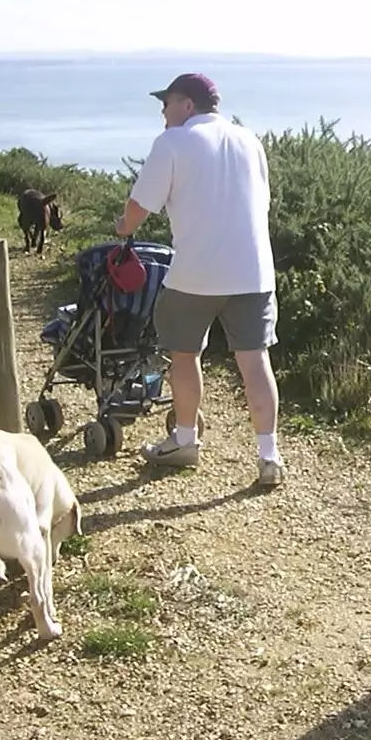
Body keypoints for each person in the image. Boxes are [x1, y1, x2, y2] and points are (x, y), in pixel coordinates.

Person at [114, 72, 284, 486]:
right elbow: (260, 201)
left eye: (167, 103)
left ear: (188, 105)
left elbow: (140, 204)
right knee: (255, 360)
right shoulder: (249, 140)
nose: (163, 112)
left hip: (195, 273)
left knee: (185, 354)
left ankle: (185, 441)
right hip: (253, 272)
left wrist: (123, 228)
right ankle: (269, 457)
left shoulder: (173, 142)